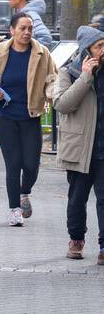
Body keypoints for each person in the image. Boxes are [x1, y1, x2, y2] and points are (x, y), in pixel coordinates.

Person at [0, 10, 55, 226]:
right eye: (22, 28)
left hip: (31, 116)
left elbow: (52, 78)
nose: (27, 32)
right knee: (14, 164)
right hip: (5, 116)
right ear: (12, 30)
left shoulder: (42, 53)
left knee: (31, 164)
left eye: (30, 28)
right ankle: (14, 210)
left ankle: (24, 192)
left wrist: (50, 93)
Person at [51, 25, 104, 259]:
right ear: (87, 51)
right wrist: (85, 77)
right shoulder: (68, 73)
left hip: (103, 147)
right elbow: (62, 104)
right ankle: (76, 240)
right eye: (99, 46)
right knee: (77, 199)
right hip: (80, 148)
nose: (103, 50)